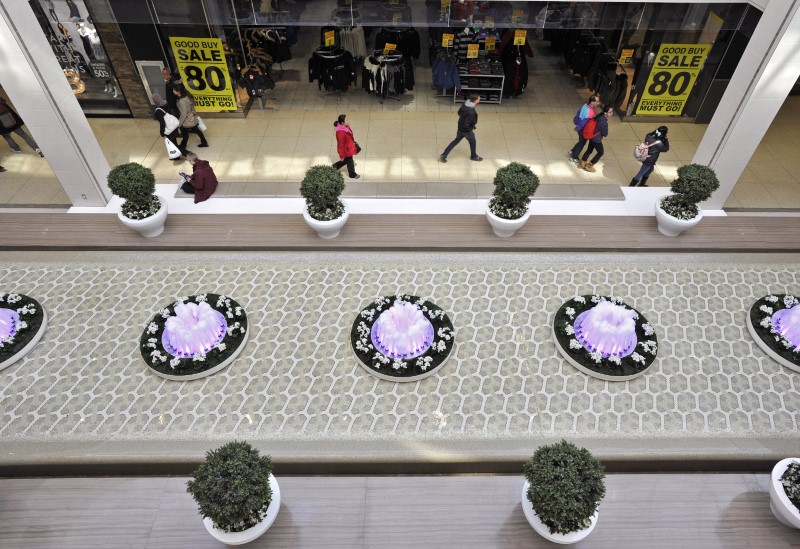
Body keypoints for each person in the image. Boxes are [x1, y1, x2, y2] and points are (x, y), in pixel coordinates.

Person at [439, 94, 482, 162]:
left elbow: (459, 112)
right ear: (475, 100)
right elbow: (470, 122)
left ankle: (443, 155)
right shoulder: (471, 111)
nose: (480, 100)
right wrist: (470, 128)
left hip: (460, 127)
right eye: (479, 99)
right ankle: (473, 156)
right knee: (473, 142)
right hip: (467, 131)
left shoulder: (465, 104)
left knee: (455, 141)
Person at [578, 105, 613, 173]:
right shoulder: (604, 122)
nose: (612, 113)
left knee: (589, 150)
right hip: (596, 139)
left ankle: (583, 162)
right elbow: (605, 134)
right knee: (600, 152)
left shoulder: (599, 116)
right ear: (605, 113)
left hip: (591, 136)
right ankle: (589, 165)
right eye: (610, 112)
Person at [173, 85, 208, 152]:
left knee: (185, 134)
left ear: (178, 91)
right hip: (192, 117)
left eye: (174, 90)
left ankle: (182, 147)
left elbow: (183, 114)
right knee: (197, 129)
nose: (173, 91)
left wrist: (179, 124)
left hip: (186, 121)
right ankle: (204, 142)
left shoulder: (181, 101)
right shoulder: (187, 96)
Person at [568, 95, 600, 163]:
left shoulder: (585, 105)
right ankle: (574, 157)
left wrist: (577, 123)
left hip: (579, 125)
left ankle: (572, 151)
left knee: (580, 141)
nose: (598, 103)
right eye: (597, 101)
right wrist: (578, 128)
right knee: (582, 143)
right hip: (583, 129)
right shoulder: (590, 112)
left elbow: (578, 113)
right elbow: (584, 122)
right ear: (592, 102)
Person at [332, 114, 360, 179]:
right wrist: (341, 155)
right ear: (342, 122)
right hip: (346, 150)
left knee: (347, 160)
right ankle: (352, 174)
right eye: (346, 120)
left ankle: (335, 166)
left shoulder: (346, 126)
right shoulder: (340, 133)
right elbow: (340, 145)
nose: (348, 121)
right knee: (350, 160)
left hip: (349, 146)